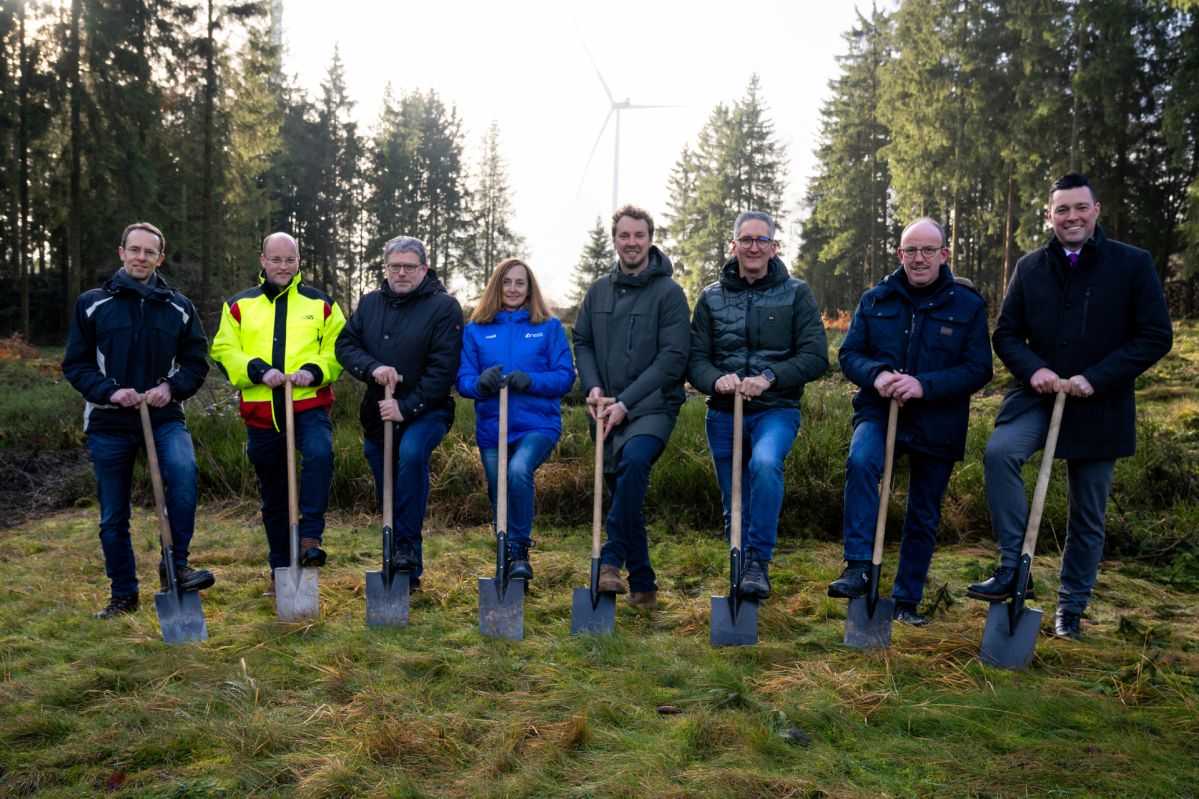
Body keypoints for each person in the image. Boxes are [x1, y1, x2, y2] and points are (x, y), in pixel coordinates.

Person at [966, 173, 1172, 638]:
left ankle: (1070, 609)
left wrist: (1095, 378)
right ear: (1049, 216)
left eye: (1081, 208)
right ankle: (1013, 569)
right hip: (1038, 396)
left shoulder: (1132, 264)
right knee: (1000, 453)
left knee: (1087, 513)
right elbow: (1005, 333)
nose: (1072, 217)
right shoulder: (1031, 267)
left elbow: (1156, 335)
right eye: (1062, 210)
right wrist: (1033, 368)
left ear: (1096, 211)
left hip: (1100, 403)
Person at [828, 218, 992, 626]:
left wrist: (924, 385)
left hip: (938, 418)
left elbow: (978, 368)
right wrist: (878, 375)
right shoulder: (875, 299)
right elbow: (850, 355)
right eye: (910, 250)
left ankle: (905, 601)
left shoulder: (968, 305)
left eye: (928, 250)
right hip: (879, 410)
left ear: (944, 255)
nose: (918, 258)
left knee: (923, 511)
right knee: (862, 461)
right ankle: (860, 566)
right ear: (899, 254)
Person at [62, 221, 214, 618]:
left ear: (160, 258)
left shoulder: (179, 307)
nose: (141, 257)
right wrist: (110, 391)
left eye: (150, 252)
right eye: (135, 250)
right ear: (122, 252)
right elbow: (76, 364)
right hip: (109, 422)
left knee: (183, 473)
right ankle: (123, 594)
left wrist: (171, 387)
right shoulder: (92, 303)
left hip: (163, 416)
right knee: (114, 514)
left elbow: (197, 361)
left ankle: (175, 567)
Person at [688, 210, 829, 600]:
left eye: (761, 240)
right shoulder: (710, 298)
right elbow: (695, 358)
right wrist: (715, 379)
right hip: (723, 413)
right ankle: (740, 568)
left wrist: (769, 376)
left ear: (773, 246)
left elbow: (817, 356)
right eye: (746, 240)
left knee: (765, 465)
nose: (753, 247)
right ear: (733, 246)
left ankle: (758, 562)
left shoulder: (796, 293)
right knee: (734, 500)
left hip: (775, 409)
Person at [211, 232, 345, 593]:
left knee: (320, 453)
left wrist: (314, 371)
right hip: (261, 411)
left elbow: (338, 349)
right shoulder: (240, 305)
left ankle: (310, 536)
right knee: (273, 495)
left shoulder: (322, 304)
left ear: (299, 260)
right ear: (263, 260)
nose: (283, 266)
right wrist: (257, 369)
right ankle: (280, 570)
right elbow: (224, 350)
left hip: (308, 405)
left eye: (290, 259)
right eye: (276, 259)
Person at [572, 205, 690, 608]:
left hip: (653, 407)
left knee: (635, 463)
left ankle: (609, 560)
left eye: (639, 235)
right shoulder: (598, 290)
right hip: (604, 408)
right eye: (624, 235)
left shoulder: (670, 294)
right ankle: (644, 585)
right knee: (626, 490)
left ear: (651, 239)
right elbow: (583, 341)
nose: (632, 243)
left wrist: (628, 401)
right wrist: (593, 387)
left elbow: (673, 357)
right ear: (615, 240)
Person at [336, 236, 463, 591]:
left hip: (427, 411)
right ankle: (400, 564)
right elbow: (346, 345)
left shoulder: (444, 307)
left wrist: (406, 408)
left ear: (424, 268)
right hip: (378, 412)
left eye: (409, 266)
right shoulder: (371, 303)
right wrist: (372, 368)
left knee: (410, 455)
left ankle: (407, 548)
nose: (402, 273)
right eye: (395, 266)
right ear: (387, 268)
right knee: (388, 485)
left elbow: (443, 370)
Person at [455, 258, 575, 581]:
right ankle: (505, 550)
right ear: (497, 286)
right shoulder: (477, 331)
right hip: (493, 428)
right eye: (506, 282)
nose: (512, 288)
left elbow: (566, 377)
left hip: (538, 425)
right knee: (499, 492)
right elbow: (463, 380)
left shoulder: (548, 328)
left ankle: (520, 551)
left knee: (519, 470)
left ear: (529, 288)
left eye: (519, 283)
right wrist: (480, 384)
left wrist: (532, 381)